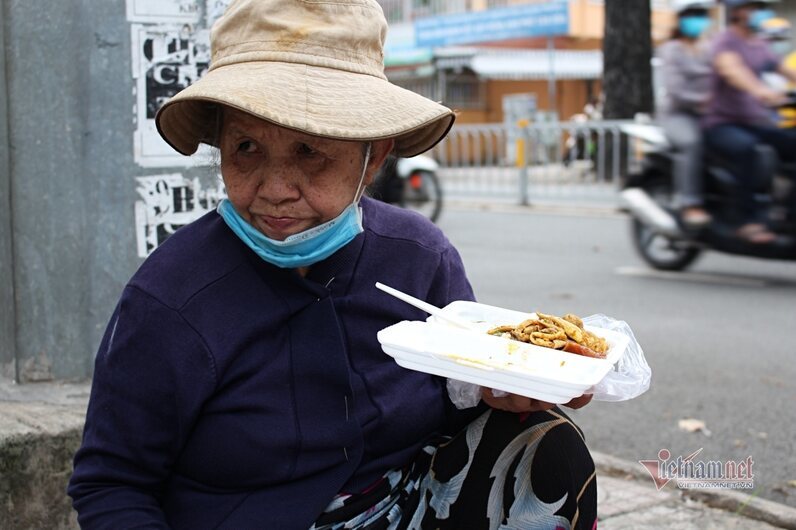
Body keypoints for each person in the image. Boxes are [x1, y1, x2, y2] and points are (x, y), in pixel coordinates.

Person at [67, 0, 597, 528]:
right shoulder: (171, 296)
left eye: (309, 151)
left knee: (549, 444)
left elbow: (464, 394)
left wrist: (508, 389)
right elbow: (112, 483)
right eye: (246, 147)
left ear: (374, 156)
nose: (275, 190)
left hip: (406, 505)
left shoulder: (419, 257)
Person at [703, 0, 796, 243]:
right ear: (737, 12)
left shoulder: (760, 44)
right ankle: (746, 220)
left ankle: (788, 215)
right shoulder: (725, 42)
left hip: (754, 121)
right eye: (752, 8)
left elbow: (784, 69)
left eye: (760, 7)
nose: (759, 13)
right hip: (722, 122)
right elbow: (733, 71)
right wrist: (761, 91)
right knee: (749, 151)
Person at [657, 0, 717, 228]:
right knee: (692, 143)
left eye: (702, 16)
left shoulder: (709, 48)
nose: (698, 22)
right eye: (693, 16)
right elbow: (676, 90)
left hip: (710, 114)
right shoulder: (671, 49)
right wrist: (703, 101)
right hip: (678, 115)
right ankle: (690, 202)